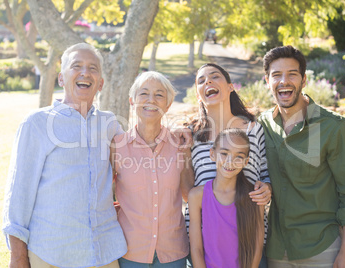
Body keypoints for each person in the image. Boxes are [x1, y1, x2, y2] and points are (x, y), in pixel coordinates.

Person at [3, 43, 127, 268]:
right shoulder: (37, 123)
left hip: (104, 251)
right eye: (76, 66)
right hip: (52, 253)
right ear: (61, 79)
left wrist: (177, 135)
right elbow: (18, 194)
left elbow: (139, 155)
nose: (85, 73)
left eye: (93, 68)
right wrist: (18, 256)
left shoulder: (110, 124)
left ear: (100, 83)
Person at [258, 45, 345, 267]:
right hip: (277, 248)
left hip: (322, 247)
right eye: (276, 75)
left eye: (292, 74)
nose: (284, 81)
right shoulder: (262, 125)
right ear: (267, 81)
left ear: (304, 80)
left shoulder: (335, 128)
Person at [183, 63, 271, 267]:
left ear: (231, 86)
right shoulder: (191, 134)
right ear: (198, 94)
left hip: (248, 241)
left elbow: (265, 174)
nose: (209, 82)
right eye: (201, 80)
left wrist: (267, 188)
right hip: (206, 245)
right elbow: (189, 192)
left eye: (215, 76)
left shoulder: (253, 129)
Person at [111, 71, 193, 268]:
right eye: (144, 93)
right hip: (130, 251)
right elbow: (105, 194)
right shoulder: (116, 146)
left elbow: (189, 194)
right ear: (132, 100)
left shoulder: (180, 145)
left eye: (159, 95)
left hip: (173, 252)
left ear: (168, 105)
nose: (151, 100)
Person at [189, 128, 265, 268]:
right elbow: (196, 248)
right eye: (224, 153)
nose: (230, 161)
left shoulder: (254, 196)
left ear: (246, 161)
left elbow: (257, 247)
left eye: (239, 156)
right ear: (212, 154)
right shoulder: (197, 196)